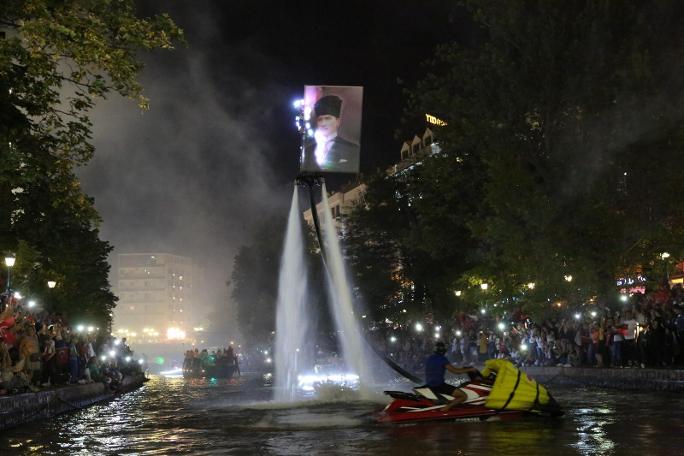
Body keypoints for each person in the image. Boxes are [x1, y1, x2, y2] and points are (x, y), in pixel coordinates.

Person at [301, 94, 360, 173]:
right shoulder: (308, 151)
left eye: (328, 118)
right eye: (320, 119)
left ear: (338, 121)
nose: (323, 123)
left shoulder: (353, 150)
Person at [424, 341, 478, 411]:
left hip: (429, 385)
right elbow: (456, 371)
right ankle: (447, 407)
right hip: (438, 386)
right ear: (443, 351)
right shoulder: (442, 359)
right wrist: (470, 369)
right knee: (463, 396)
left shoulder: (430, 358)